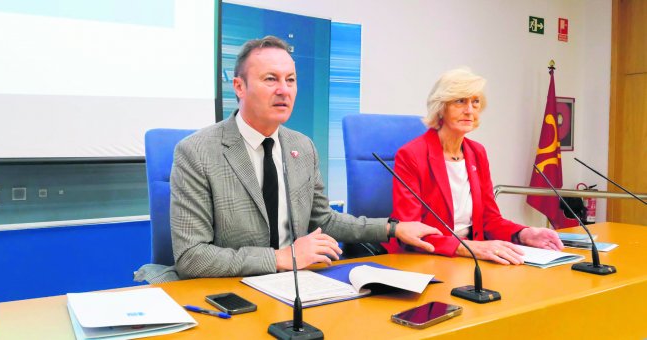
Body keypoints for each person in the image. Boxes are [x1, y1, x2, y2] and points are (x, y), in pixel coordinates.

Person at [170, 36, 442, 278]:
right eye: (270, 79)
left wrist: (392, 229)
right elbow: (191, 257)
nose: (284, 90)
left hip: (301, 282)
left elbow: (324, 220)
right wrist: (280, 258)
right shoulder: (197, 152)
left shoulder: (302, 147)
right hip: (235, 289)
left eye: (290, 80)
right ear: (239, 87)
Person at [390, 68, 564, 265]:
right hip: (429, 258)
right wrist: (469, 247)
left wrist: (524, 233)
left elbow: (490, 219)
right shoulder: (411, 155)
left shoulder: (477, 153)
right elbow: (411, 231)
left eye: (475, 102)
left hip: (473, 257)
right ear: (441, 107)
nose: (470, 110)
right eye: (460, 101)